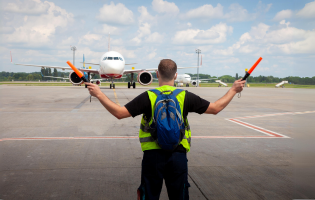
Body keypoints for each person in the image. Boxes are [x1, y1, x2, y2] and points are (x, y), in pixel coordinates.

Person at [85, 59, 245, 200]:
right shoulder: (185, 96)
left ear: (156, 74)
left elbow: (119, 113)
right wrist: (233, 90)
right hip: (178, 156)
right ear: (175, 75)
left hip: (152, 156)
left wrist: (99, 94)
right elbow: (216, 108)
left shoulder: (148, 96)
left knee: (149, 195)